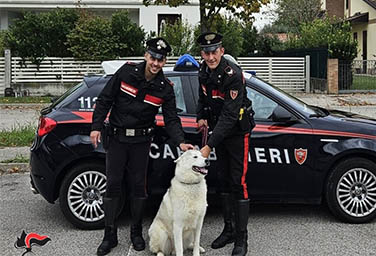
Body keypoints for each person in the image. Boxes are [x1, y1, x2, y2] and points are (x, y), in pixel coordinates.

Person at [90, 37, 194, 256]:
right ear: (146, 55)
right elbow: (104, 100)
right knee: (113, 186)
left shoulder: (164, 88)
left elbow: (172, 118)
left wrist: (181, 142)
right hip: (117, 140)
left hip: (140, 142)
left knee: (139, 187)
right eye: (154, 57)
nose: (156, 63)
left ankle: (136, 232)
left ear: (165, 61)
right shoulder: (126, 73)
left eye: (161, 59)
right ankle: (109, 235)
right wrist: (96, 126)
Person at [196, 32, 254, 256]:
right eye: (207, 53)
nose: (211, 57)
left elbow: (230, 116)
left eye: (214, 52)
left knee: (238, 182)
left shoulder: (233, 75)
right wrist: (201, 115)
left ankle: (242, 239)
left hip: (238, 133)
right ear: (202, 54)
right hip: (219, 134)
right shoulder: (202, 71)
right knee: (223, 181)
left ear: (221, 50)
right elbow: (203, 98)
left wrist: (208, 145)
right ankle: (228, 230)